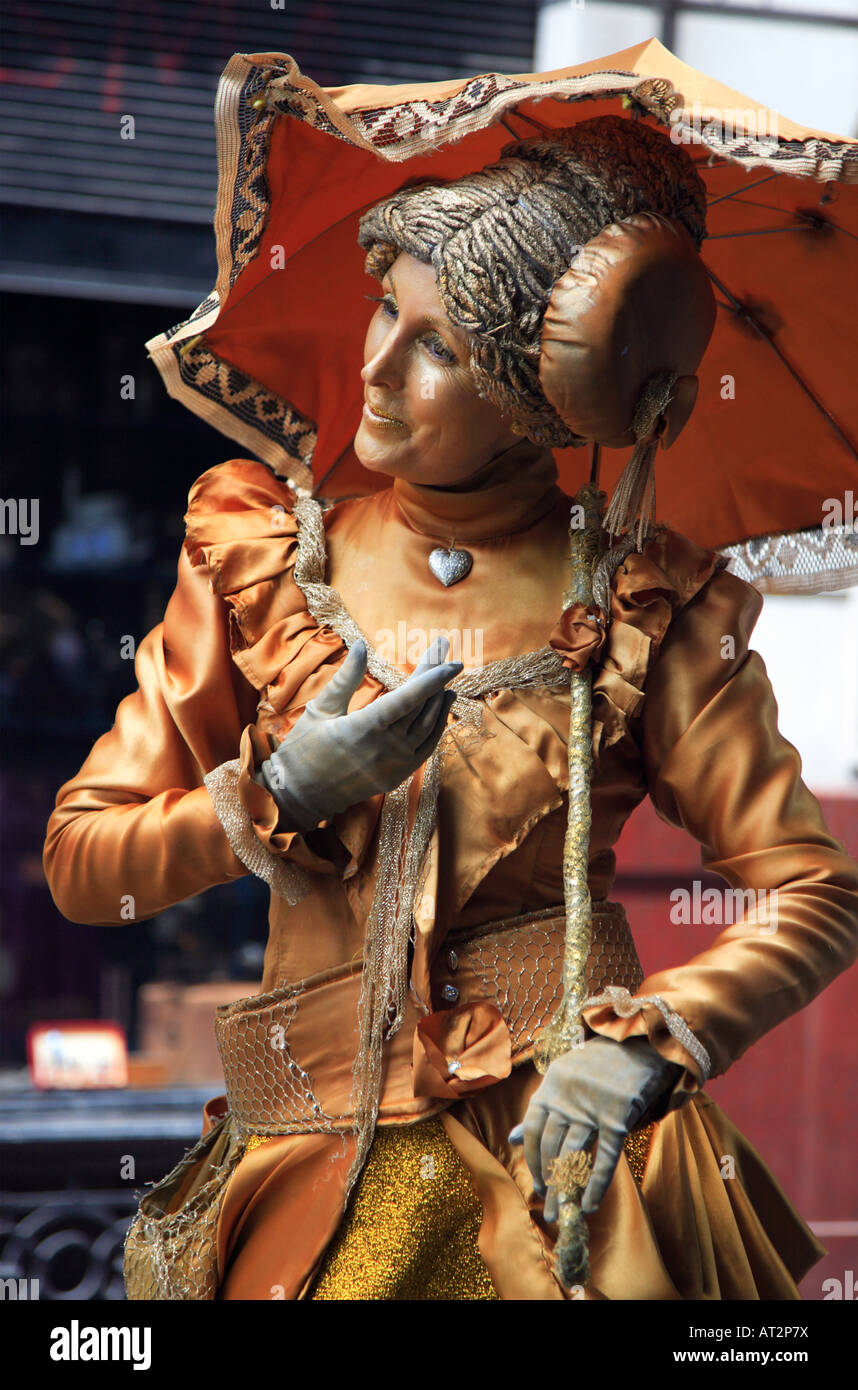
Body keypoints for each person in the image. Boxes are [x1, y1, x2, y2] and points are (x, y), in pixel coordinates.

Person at [44, 114, 858, 1301]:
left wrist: (654, 1043)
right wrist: (275, 796)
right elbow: (82, 864)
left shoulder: (644, 599)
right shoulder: (265, 555)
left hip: (574, 1179)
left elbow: (816, 889)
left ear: (546, 391)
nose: (375, 366)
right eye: (386, 308)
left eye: (441, 348)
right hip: (309, 1157)